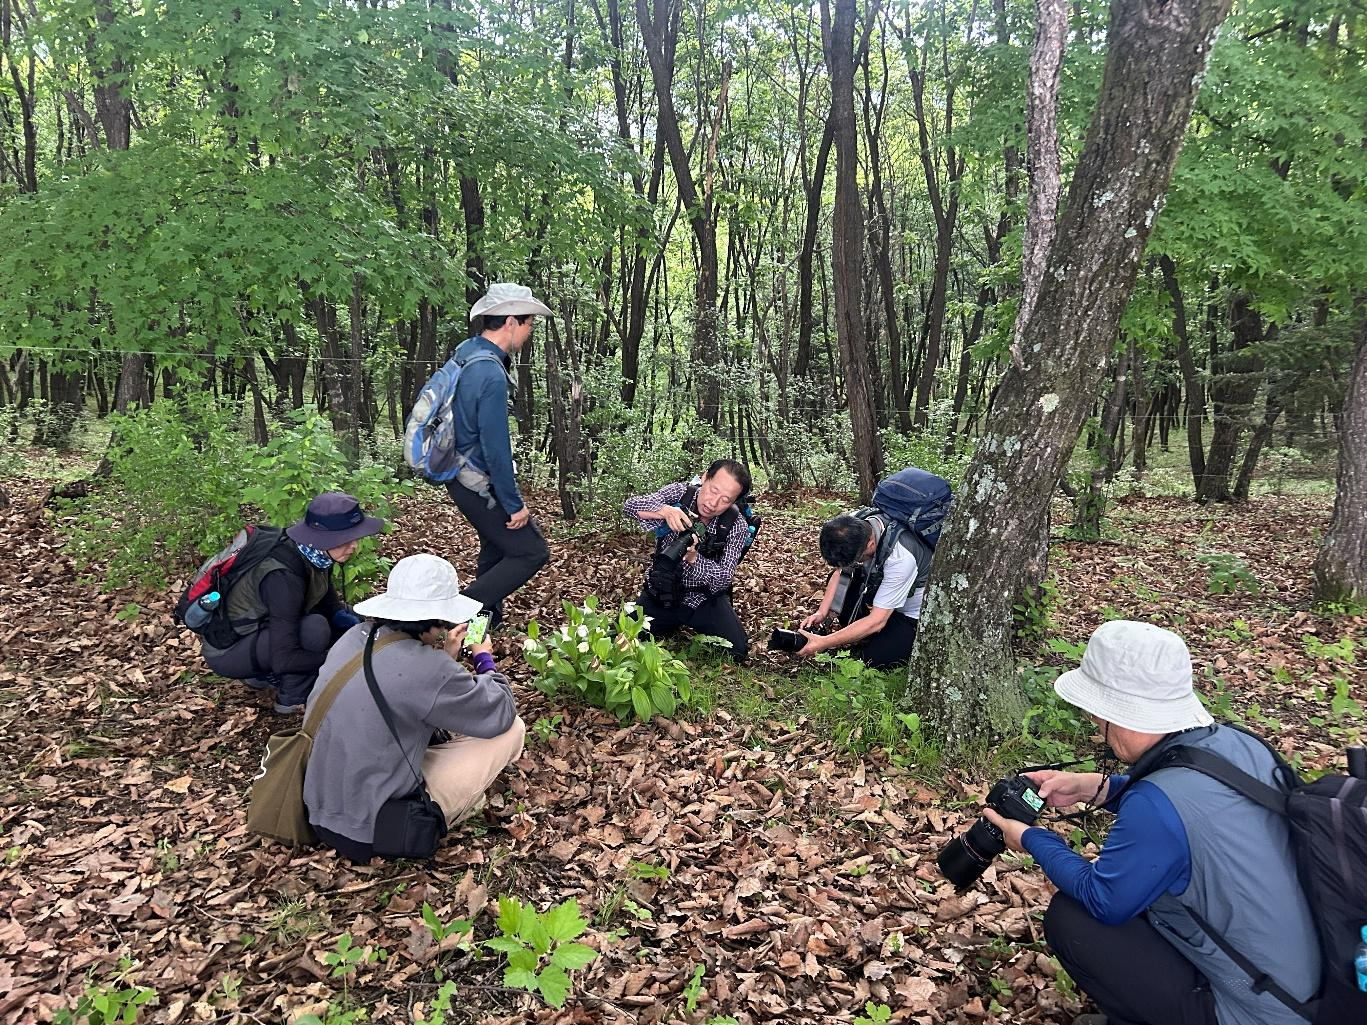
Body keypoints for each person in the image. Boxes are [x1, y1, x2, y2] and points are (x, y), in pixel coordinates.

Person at [982, 620, 1319, 1025]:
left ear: (1117, 713)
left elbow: (1103, 900)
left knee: (1072, 920)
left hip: (1256, 1013)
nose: (1094, 725)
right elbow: (1191, 812)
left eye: (1097, 714)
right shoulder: (1237, 743)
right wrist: (1094, 787)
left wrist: (1032, 838)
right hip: (1307, 986)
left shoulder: (1156, 804)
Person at [303, 554, 526, 863]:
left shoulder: (354, 637)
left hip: (320, 810)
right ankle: (459, 805)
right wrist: (483, 657)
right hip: (376, 831)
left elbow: (401, 689)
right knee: (513, 729)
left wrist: (445, 657)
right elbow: (500, 711)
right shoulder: (426, 668)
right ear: (440, 614)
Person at [202, 492, 383, 714]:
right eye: (346, 539)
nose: (354, 546)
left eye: (356, 537)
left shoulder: (314, 554)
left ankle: (259, 676)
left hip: (259, 634)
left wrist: (361, 630)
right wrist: (341, 659)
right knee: (314, 628)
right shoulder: (283, 578)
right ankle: (292, 699)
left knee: (340, 619)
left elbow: (330, 607)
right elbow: (284, 659)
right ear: (324, 539)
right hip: (228, 651)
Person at [445, 283, 553, 631]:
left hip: (459, 476)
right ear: (510, 322)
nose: (529, 331)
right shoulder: (489, 372)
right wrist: (513, 503)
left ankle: (481, 627)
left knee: (494, 549)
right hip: (477, 482)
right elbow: (495, 448)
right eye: (528, 324)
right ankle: (452, 617)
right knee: (531, 550)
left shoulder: (467, 352)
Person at [624, 459, 754, 660]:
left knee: (737, 651)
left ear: (734, 501)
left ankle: (684, 623)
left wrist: (695, 559)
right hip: (661, 593)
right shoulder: (681, 494)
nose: (713, 503)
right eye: (713, 490)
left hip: (703, 599)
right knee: (621, 636)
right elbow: (630, 506)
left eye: (725, 499)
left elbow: (724, 578)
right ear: (704, 478)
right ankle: (667, 622)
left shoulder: (735, 525)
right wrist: (665, 510)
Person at [795, 511, 930, 669]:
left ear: (870, 544)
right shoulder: (852, 524)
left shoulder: (901, 558)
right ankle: (859, 630)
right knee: (845, 580)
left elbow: (876, 621)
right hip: (879, 590)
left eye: (858, 559)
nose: (857, 562)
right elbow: (840, 573)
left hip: (909, 613)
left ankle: (886, 637)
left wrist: (824, 642)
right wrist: (822, 612)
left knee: (875, 660)